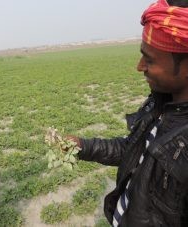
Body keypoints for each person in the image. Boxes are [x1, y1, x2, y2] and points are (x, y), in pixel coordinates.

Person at [66, 0, 188, 226]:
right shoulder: (159, 102)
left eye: (149, 59)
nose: (140, 66)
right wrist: (82, 146)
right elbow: (132, 150)